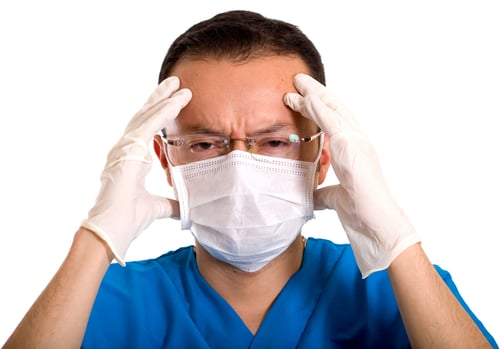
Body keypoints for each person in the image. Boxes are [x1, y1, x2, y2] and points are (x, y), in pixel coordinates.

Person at [3, 9, 497, 349]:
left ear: (323, 158)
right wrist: (96, 238)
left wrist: (396, 236)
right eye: (204, 143)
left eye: (274, 141)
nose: (239, 167)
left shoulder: (393, 291)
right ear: (165, 159)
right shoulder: (102, 301)